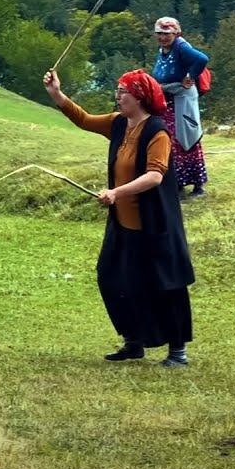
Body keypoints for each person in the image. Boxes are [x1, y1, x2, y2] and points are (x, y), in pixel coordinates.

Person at [43, 67, 196, 367]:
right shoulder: (117, 124)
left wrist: (116, 193)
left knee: (165, 285)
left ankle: (177, 352)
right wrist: (57, 94)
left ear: (139, 97)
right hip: (123, 223)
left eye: (123, 91)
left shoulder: (157, 132)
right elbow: (84, 119)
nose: (118, 95)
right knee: (113, 278)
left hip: (154, 224)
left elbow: (155, 176)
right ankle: (133, 342)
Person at [151, 17, 209, 199]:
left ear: (175, 34)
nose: (162, 37)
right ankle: (177, 184)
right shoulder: (164, 50)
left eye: (166, 34)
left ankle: (196, 185)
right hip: (169, 99)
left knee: (185, 138)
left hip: (182, 99)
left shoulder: (181, 47)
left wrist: (190, 76)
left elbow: (202, 59)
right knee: (170, 140)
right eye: (159, 33)